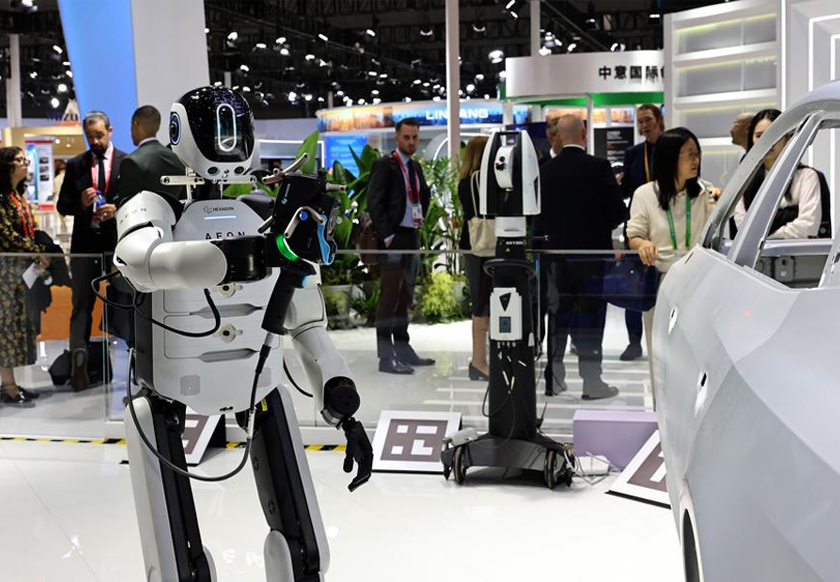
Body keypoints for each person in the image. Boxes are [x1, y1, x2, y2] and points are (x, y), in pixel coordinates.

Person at [539, 116, 628, 400]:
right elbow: (617, 214)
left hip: (555, 262)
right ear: (584, 133)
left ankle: (553, 380)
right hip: (591, 260)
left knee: (557, 318)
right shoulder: (598, 168)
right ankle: (592, 382)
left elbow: (537, 221)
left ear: (560, 138)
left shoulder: (545, 171)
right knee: (590, 321)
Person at [626, 127, 720, 385]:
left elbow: (718, 237)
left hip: (699, 282)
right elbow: (633, 234)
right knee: (661, 356)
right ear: (669, 158)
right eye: (688, 154)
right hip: (660, 282)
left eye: (697, 154)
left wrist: (721, 205)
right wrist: (642, 243)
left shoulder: (706, 192)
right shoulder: (645, 194)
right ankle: (661, 414)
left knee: (697, 355)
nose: (696, 160)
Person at [57, 111, 126, 392]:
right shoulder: (75, 165)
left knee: (124, 302)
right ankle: (79, 364)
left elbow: (137, 200)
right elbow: (63, 205)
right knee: (81, 306)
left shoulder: (126, 162)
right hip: (85, 248)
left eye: (99, 134)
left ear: (110, 131)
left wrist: (118, 209)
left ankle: (135, 365)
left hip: (117, 247)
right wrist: (82, 205)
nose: (95, 140)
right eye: (90, 136)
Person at [367, 118, 434, 374]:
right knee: (389, 299)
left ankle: (404, 350)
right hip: (393, 239)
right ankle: (386, 358)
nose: (411, 142)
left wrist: (420, 220)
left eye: (415, 137)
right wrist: (387, 236)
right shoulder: (386, 165)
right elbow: (375, 202)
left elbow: (423, 195)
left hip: (411, 237)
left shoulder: (416, 167)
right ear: (397, 137)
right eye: (407, 137)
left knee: (404, 296)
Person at [0, 147, 47, 406]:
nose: (25, 163)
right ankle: (9, 387)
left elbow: (31, 229)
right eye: (19, 160)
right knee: (6, 328)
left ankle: (12, 383)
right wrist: (39, 251)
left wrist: (41, 248)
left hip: (21, 272)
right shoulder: (1, 198)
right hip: (5, 274)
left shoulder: (19, 195)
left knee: (17, 329)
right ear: (6, 166)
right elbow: (7, 235)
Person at [732, 108, 822, 239]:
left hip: (794, 256)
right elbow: (742, 225)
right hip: (752, 258)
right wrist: (791, 215)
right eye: (759, 136)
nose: (767, 141)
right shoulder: (745, 178)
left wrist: (764, 239)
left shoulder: (806, 176)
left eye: (774, 134)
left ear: (788, 137)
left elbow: (808, 226)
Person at [619, 103, 665, 362]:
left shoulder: (672, 147)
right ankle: (634, 342)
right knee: (633, 286)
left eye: (647, 119)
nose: (643, 125)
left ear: (659, 120)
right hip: (638, 227)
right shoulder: (634, 153)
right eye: (639, 121)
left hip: (666, 226)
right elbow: (626, 191)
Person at [457, 136, 491, 381]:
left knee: (482, 303)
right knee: (482, 304)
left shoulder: (464, 182)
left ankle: (479, 360)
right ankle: (478, 361)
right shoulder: (481, 182)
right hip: (483, 247)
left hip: (472, 245)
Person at [119, 105, 187, 203]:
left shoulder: (131, 161)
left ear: (136, 123)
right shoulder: (178, 160)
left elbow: (126, 207)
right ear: (158, 127)